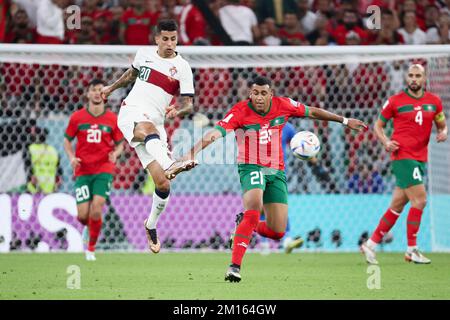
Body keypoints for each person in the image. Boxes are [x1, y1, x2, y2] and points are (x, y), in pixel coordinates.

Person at [182, 76, 367, 282]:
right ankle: (234, 267)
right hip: (250, 166)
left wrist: (344, 120)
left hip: (276, 171)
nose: (259, 97)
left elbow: (312, 111)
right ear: (250, 94)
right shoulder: (240, 111)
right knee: (253, 209)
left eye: (263, 93)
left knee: (277, 231)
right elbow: (216, 133)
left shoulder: (283, 105)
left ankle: (243, 224)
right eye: (255, 93)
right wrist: (192, 152)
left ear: (271, 94)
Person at [101, 19, 197, 254]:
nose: (169, 43)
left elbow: (188, 102)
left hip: (156, 123)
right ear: (156, 39)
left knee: (163, 182)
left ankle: (151, 224)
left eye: (173, 39)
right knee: (148, 132)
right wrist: (110, 89)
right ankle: (171, 163)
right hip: (131, 112)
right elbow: (130, 75)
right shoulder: (144, 54)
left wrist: (178, 109)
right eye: (165, 38)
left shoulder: (182, 67)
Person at [361, 64, 448, 265]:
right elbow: (378, 125)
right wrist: (385, 142)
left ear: (424, 78)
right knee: (420, 200)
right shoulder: (395, 101)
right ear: (406, 78)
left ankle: (370, 245)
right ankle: (412, 249)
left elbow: (441, 124)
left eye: (418, 75)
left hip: (420, 157)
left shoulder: (434, 102)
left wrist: (443, 132)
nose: (414, 79)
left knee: (397, 205)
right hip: (403, 156)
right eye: (411, 75)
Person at [64, 79, 125, 261]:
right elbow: (67, 140)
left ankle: (90, 248)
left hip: (103, 169)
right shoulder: (77, 117)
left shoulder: (112, 119)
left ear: (105, 94)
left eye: (101, 90)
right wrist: (72, 157)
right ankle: (87, 226)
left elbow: (120, 144)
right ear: (88, 94)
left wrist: (116, 153)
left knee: (97, 209)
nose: (97, 93)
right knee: (83, 215)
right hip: (83, 170)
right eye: (94, 90)